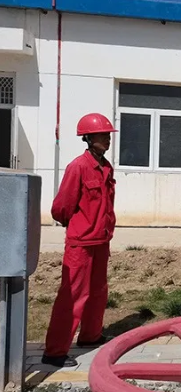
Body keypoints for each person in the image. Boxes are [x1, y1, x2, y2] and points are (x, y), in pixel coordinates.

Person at [42, 113, 118, 367]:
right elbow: (61, 207)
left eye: (108, 135)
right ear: (88, 138)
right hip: (81, 243)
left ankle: (90, 335)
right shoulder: (78, 167)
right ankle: (55, 352)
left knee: (98, 292)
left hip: (100, 240)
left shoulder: (106, 167)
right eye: (102, 135)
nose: (107, 139)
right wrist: (78, 225)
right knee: (73, 296)